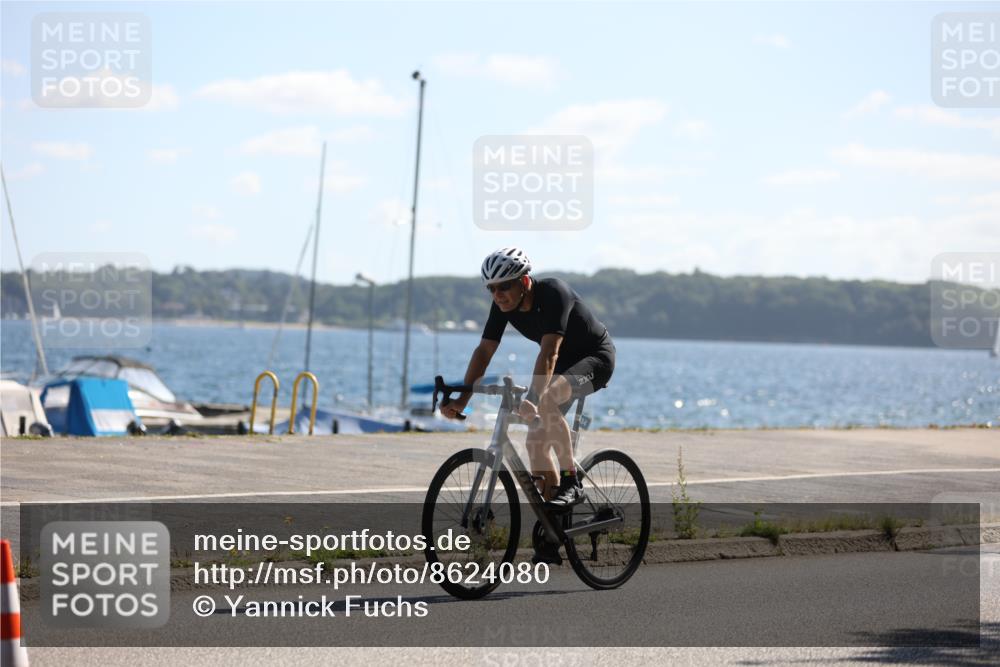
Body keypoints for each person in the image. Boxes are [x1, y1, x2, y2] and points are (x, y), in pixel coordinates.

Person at [441, 247, 616, 562]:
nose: (498, 294)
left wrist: (534, 399)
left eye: (504, 286)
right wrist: (462, 397)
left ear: (524, 281)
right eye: (491, 289)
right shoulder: (503, 306)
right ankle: (554, 531)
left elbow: (549, 352)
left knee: (547, 402)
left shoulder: (553, 293)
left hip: (595, 359)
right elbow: (484, 351)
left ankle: (571, 482)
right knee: (536, 443)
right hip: (563, 365)